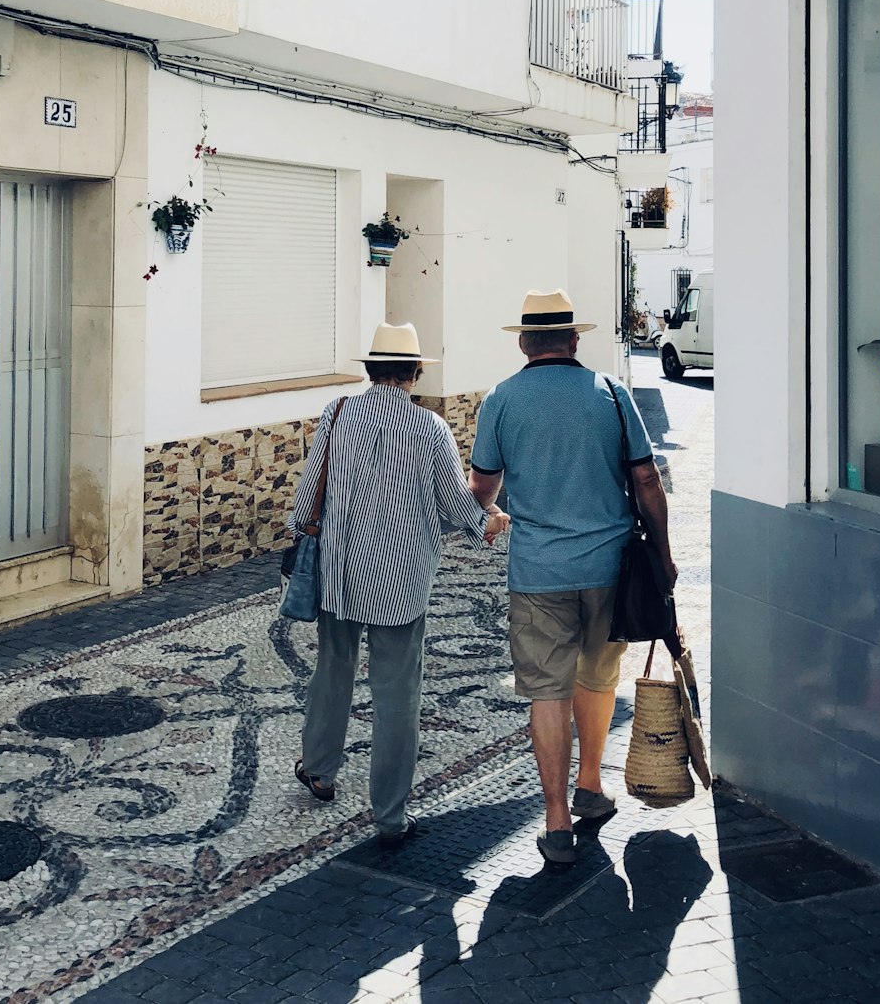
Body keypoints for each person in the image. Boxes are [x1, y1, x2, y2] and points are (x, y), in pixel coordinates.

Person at [468, 289, 677, 866]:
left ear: (523, 342)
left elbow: (483, 489)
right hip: (609, 566)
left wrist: (483, 511)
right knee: (599, 676)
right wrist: (662, 554)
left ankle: (556, 818)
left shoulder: (501, 400)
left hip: (537, 570)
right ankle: (591, 785)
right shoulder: (610, 393)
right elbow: (647, 482)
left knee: (546, 690)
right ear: (574, 339)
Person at [290, 321, 509, 847]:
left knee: (332, 672)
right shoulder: (429, 429)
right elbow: (460, 508)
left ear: (369, 371)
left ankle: (319, 770)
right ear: (413, 372)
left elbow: (303, 508)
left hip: (338, 578)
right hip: (401, 584)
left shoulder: (337, 414)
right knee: (397, 698)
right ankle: (389, 815)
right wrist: (490, 523)